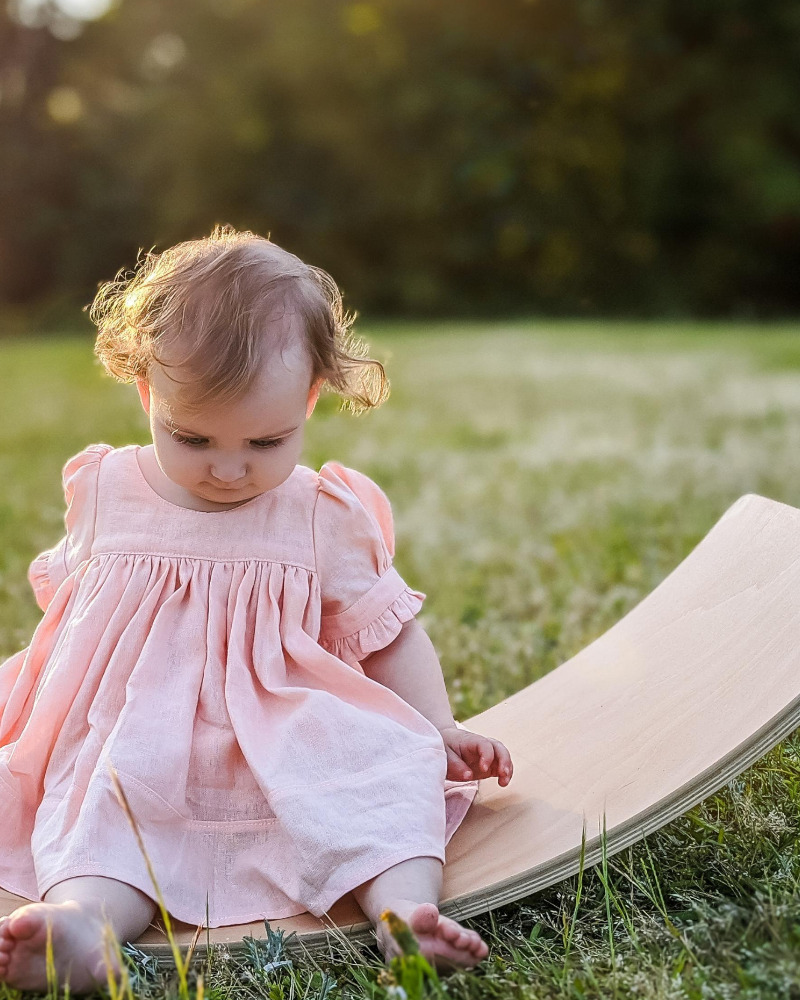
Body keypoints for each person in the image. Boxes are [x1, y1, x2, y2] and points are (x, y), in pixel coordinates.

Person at [0, 224, 513, 993]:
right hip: (137, 733)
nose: (231, 469)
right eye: (193, 437)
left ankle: (404, 913)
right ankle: (80, 923)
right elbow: (73, 625)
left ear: (311, 398)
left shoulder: (321, 513)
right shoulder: (106, 492)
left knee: (384, 775)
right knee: (105, 814)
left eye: (268, 442)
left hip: (287, 732)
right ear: (147, 394)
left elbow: (391, 630)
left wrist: (436, 725)